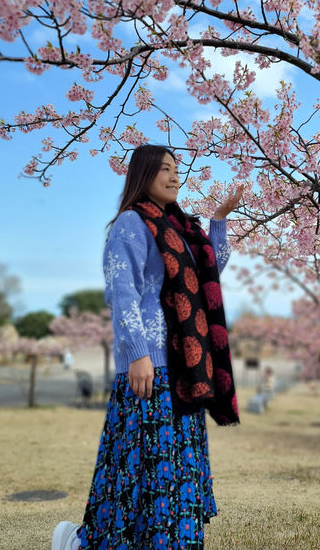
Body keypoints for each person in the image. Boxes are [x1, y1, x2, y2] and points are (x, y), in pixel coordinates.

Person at [52, 144, 241, 550]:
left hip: (183, 369)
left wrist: (218, 221)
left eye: (177, 170)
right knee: (141, 469)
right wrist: (138, 353)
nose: (174, 177)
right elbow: (123, 292)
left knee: (176, 471)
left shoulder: (181, 229)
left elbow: (207, 270)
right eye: (164, 170)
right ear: (143, 175)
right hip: (149, 368)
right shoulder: (130, 224)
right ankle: (86, 542)